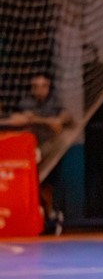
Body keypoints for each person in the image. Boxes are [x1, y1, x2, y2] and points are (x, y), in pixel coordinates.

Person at [0, 71, 72, 234]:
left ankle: (50, 216)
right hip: (27, 154)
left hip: (48, 151)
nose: (40, 90)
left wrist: (55, 120)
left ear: (49, 87)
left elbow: (66, 117)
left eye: (43, 86)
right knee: (28, 187)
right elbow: (18, 119)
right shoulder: (24, 103)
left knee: (47, 185)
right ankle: (34, 218)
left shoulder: (54, 103)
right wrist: (46, 121)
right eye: (36, 86)